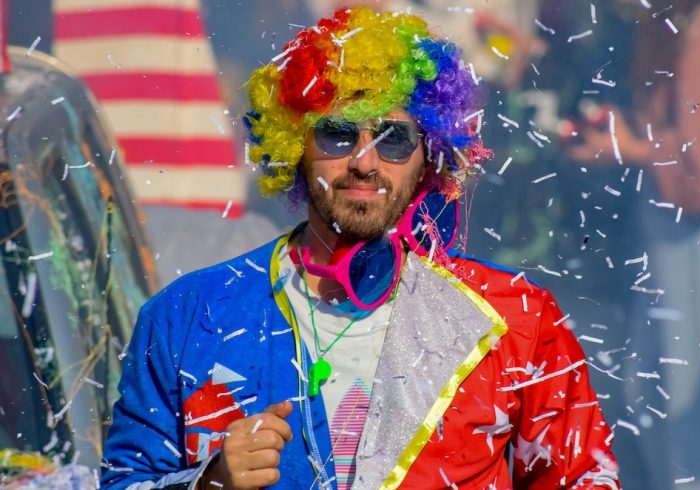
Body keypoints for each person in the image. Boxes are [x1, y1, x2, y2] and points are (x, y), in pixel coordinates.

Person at [101, 7, 620, 489]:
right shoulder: (186, 316)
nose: (365, 163)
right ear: (294, 145)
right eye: (338, 133)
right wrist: (205, 483)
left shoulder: (518, 322)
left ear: (429, 156)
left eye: (393, 138)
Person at [567, 1, 700, 488]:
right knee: (646, 389)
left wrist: (626, 147)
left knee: (684, 402)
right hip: (671, 227)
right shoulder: (668, 23)